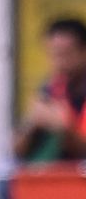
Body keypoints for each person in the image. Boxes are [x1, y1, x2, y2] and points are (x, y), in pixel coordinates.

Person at [14, 17, 86, 162]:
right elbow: (17, 150)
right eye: (53, 54)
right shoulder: (51, 89)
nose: (58, 62)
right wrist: (31, 125)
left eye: (66, 54)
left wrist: (62, 127)